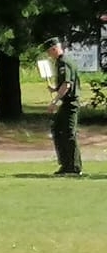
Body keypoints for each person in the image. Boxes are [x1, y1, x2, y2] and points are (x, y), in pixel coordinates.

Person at [44, 37, 81, 176]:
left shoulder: (64, 62)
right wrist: (55, 89)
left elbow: (67, 85)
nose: (49, 55)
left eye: (49, 51)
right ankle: (65, 164)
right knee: (58, 131)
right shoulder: (60, 62)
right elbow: (63, 85)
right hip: (65, 103)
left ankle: (74, 166)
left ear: (54, 48)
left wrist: (54, 101)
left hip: (70, 103)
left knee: (69, 133)